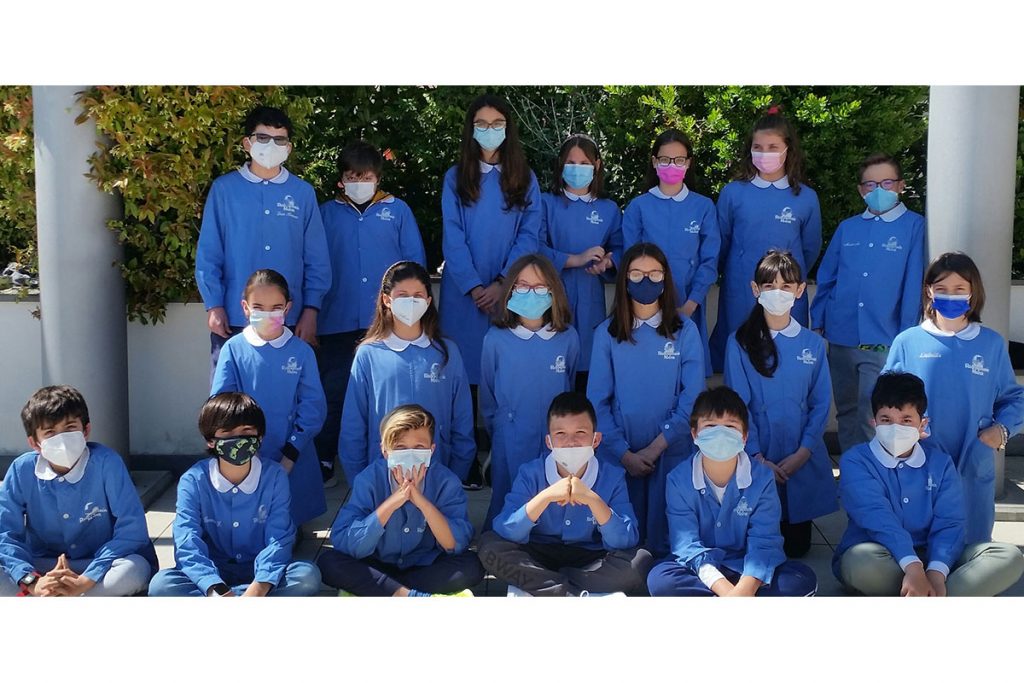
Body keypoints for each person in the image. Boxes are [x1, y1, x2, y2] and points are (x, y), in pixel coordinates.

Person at [833, 371, 1024, 596]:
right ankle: (936, 595)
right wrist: (913, 568)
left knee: (1008, 556)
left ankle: (923, 592)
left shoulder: (940, 463)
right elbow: (877, 518)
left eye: (906, 420)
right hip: (884, 557)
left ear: (922, 424)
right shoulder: (856, 461)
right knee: (859, 562)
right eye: (886, 420)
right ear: (874, 422)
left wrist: (936, 572)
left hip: (935, 560)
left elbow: (950, 522)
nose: (896, 428)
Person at [883, 252, 1024, 545]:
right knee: (919, 545)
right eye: (942, 288)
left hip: (972, 460)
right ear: (929, 291)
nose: (951, 296)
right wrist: (900, 434)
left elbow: (1014, 398)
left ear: (973, 293)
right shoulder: (907, 342)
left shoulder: (991, 344)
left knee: (971, 545)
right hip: (919, 458)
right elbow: (885, 399)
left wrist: (1001, 431)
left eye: (959, 289)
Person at [440, 93, 542, 487]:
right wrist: (474, 286)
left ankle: (504, 455)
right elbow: (452, 237)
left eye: (497, 123)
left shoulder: (524, 178)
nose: (489, 131)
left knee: (506, 374)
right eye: (481, 124)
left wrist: (503, 283)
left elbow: (529, 234)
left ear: (508, 129)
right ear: (470, 129)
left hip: (510, 292)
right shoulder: (455, 178)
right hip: (464, 295)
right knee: (462, 377)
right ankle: (465, 457)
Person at [315, 140, 427, 487]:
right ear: (341, 179)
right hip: (336, 319)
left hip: (385, 321)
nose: (359, 182)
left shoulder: (398, 211)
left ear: (378, 177)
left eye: (365, 176)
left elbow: (414, 263)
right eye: (352, 176)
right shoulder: (326, 213)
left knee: (382, 394)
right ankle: (325, 457)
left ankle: (389, 456)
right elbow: (313, 260)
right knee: (334, 391)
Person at [195, 105, 331, 379]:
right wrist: (214, 304)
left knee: (288, 391)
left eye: (279, 140)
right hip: (235, 316)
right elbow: (209, 253)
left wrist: (311, 310)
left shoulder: (302, 193)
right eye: (263, 137)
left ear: (288, 148)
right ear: (247, 143)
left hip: (289, 317)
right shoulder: (224, 189)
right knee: (230, 397)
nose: (271, 145)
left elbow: (316, 257)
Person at [587, 242, 705, 556]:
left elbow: (692, 398)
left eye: (654, 273)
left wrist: (656, 447)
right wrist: (624, 454)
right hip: (619, 455)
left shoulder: (685, 331)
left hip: (671, 452)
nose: (646, 280)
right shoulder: (606, 333)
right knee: (621, 544)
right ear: (624, 279)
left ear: (666, 279)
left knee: (668, 543)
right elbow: (597, 401)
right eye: (637, 274)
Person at [647, 386, 818, 597]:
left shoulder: (762, 478)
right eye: (710, 426)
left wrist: (745, 588)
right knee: (661, 580)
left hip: (748, 568)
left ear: (744, 437)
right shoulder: (678, 479)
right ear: (694, 434)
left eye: (730, 426)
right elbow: (686, 544)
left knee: (800, 579)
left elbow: (764, 541)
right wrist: (729, 592)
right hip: (701, 569)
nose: (720, 434)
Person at [478, 392, 653, 596]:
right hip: (538, 552)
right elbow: (507, 530)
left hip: (590, 557)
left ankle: (551, 584)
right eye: (560, 434)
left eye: (580, 432)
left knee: (640, 561)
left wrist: (591, 498)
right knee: (488, 547)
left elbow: (624, 540)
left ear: (595, 439)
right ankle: (565, 588)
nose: (571, 442)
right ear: (549, 442)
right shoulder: (531, 473)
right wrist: (545, 497)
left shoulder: (612, 476)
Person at [148, 392, 322, 597]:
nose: (238, 439)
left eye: (246, 431)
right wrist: (216, 589)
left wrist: (257, 590)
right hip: (212, 573)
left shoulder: (275, 476)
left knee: (306, 576)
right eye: (227, 432)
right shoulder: (193, 480)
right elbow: (187, 541)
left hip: (261, 574)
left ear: (260, 436)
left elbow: (279, 538)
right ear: (210, 440)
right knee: (162, 585)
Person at [724, 250, 837, 557]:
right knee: (758, 542)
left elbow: (820, 403)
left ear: (800, 290)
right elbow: (738, 404)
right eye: (769, 285)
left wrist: (804, 451)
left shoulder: (812, 344)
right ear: (755, 289)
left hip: (800, 455)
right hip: (758, 454)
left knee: (797, 548)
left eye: (786, 286)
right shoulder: (740, 342)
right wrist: (757, 456)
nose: (778, 293)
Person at [810, 152, 926, 453]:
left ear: (900, 185)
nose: (878, 190)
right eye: (871, 184)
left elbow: (913, 282)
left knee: (874, 413)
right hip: (842, 335)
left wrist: (905, 335)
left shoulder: (914, 226)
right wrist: (819, 319)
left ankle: (875, 471)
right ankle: (852, 469)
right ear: (861, 190)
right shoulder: (848, 227)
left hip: (884, 338)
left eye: (886, 183)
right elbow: (828, 276)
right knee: (846, 409)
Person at [0, 385, 156, 597]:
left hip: (100, 563)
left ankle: (61, 599)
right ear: (35, 443)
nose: (62, 439)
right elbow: (6, 534)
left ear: (86, 430)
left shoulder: (107, 462)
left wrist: (86, 579)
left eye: (70, 428)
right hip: (42, 566)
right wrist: (32, 581)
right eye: (50, 432)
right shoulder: (21, 470)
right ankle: (57, 596)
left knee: (134, 569)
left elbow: (132, 529)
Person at [318, 404, 483, 596]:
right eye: (400, 448)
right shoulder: (369, 479)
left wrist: (421, 502)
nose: (410, 454)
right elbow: (348, 543)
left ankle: (393, 591)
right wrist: (394, 501)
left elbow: (453, 544)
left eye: (419, 447)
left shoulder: (446, 481)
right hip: (378, 562)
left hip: (425, 565)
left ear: (431, 450)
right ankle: (407, 595)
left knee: (472, 565)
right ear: (385, 451)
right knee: (330, 562)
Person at [340, 261, 475, 484]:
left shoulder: (447, 352)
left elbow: (462, 420)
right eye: (402, 295)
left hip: (437, 474)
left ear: (428, 301)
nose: (411, 302)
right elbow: (353, 424)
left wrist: (455, 478)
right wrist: (360, 481)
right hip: (381, 477)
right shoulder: (369, 354)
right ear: (386, 300)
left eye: (417, 296)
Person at [211, 269, 327, 528]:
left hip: (293, 454)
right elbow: (222, 404)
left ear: (288, 307)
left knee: (289, 524)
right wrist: (241, 450)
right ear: (245, 308)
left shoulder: (302, 351)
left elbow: (313, 407)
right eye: (258, 307)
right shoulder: (234, 349)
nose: (267, 314)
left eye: (276, 307)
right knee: (248, 524)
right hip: (245, 455)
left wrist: (291, 452)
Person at [709, 108, 821, 372]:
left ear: (788, 150)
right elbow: (721, 243)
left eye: (773, 147)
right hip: (740, 290)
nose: (764, 153)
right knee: (739, 358)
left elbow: (810, 247)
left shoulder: (805, 197)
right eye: (758, 147)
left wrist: (785, 277)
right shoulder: (733, 193)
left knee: (786, 361)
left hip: (787, 293)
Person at [480, 253, 579, 531]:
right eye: (522, 286)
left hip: (554, 440)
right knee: (509, 502)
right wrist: (500, 429)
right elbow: (488, 394)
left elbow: (569, 383)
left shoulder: (568, 337)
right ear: (510, 289)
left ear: (553, 291)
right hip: (510, 437)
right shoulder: (495, 339)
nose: (531, 293)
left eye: (539, 286)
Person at [622, 129, 720, 371]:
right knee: (651, 369)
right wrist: (645, 304)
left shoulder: (703, 207)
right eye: (665, 159)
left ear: (688, 163)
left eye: (679, 160)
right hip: (645, 306)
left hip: (688, 305)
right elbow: (630, 260)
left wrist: (691, 304)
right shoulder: (638, 207)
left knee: (688, 370)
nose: (672, 165)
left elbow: (710, 261)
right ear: (655, 162)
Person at [539, 133, 622, 391]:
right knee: (552, 368)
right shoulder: (545, 203)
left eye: (584, 163)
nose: (578, 169)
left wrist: (608, 263)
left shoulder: (609, 209)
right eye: (571, 163)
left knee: (587, 372)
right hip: (551, 298)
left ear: (597, 165)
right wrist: (575, 259)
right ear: (561, 165)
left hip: (590, 301)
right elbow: (533, 247)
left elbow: (621, 249)